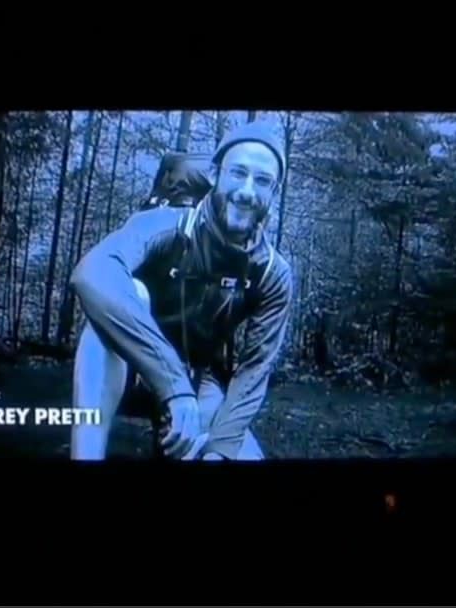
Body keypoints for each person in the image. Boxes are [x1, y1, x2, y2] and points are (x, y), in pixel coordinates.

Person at [69, 121, 294, 460]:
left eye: (262, 181)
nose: (247, 192)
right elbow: (92, 273)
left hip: (198, 382)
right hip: (129, 369)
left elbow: (255, 369)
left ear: (274, 193)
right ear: (215, 174)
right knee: (129, 297)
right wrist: (173, 384)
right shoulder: (164, 225)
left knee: (241, 456)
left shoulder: (272, 272)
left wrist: (221, 449)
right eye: (238, 173)